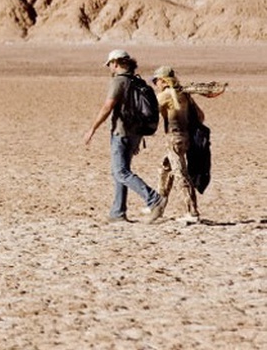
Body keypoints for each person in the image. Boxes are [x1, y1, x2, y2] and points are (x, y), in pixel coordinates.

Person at [84, 49, 166, 224]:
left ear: (116, 63)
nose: (110, 68)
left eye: (110, 65)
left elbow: (108, 106)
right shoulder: (137, 81)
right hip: (135, 132)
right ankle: (117, 212)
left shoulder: (119, 81)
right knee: (120, 172)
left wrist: (93, 128)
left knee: (120, 171)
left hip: (121, 132)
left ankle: (154, 199)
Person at [152, 66, 225, 224]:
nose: (155, 84)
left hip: (174, 138)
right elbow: (201, 116)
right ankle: (158, 207)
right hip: (186, 138)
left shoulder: (165, 95)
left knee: (180, 174)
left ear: (163, 80)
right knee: (165, 168)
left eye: (156, 80)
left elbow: (150, 113)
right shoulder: (185, 95)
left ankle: (192, 212)